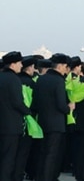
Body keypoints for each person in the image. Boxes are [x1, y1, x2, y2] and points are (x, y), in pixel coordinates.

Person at [32, 52, 74, 181]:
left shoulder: (42, 78)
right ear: (61, 66)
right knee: (52, 154)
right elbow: (61, 104)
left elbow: (35, 102)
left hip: (42, 120)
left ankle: (39, 176)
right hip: (56, 123)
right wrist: (69, 108)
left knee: (42, 152)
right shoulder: (59, 81)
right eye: (65, 66)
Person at [0, 51, 31, 181]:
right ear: (12, 64)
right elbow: (17, 102)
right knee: (8, 158)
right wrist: (28, 112)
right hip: (11, 126)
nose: (21, 65)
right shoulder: (14, 80)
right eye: (19, 63)